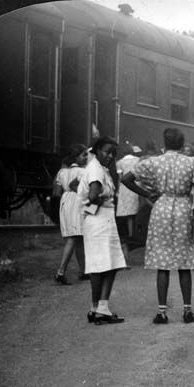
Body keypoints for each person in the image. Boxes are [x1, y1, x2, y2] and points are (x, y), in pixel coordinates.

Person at [122, 128, 194, 324]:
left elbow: (126, 179)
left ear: (165, 143)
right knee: (184, 263)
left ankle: (162, 312)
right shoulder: (193, 163)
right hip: (184, 210)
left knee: (163, 263)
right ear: (182, 143)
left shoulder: (152, 162)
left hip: (161, 209)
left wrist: (146, 194)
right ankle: (187, 311)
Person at [78, 136, 127, 325]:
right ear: (97, 150)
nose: (110, 156)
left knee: (103, 265)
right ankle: (101, 308)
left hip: (99, 220)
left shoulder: (97, 168)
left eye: (113, 153)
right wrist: (101, 199)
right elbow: (93, 195)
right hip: (100, 219)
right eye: (106, 151)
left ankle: (96, 307)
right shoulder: (96, 170)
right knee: (106, 265)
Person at [53, 144, 88, 285]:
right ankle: (60, 272)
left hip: (65, 202)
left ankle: (84, 271)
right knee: (74, 237)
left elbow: (56, 192)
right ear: (76, 157)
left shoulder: (62, 172)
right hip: (77, 202)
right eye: (83, 155)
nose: (86, 158)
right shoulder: (83, 171)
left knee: (78, 237)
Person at [115, 142, 141, 262]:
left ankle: (127, 235)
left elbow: (120, 178)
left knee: (125, 212)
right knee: (134, 212)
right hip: (135, 186)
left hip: (125, 188)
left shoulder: (119, 162)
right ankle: (132, 234)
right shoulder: (138, 160)